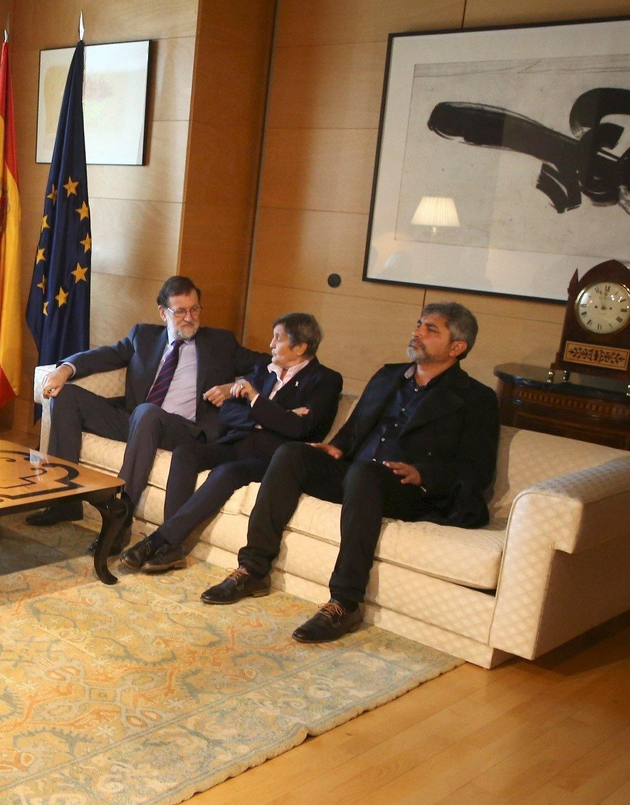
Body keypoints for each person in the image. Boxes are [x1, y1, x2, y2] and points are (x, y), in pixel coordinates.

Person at [205, 302, 500, 645]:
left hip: (407, 489)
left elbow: (477, 470)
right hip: (356, 473)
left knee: (365, 474)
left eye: (431, 329)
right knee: (291, 455)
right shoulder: (390, 374)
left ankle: (344, 602)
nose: (417, 332)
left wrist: (423, 474)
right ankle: (253, 569)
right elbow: (356, 425)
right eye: (419, 324)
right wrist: (337, 447)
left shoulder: (476, 398)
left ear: (457, 347)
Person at [25, 275, 259, 552]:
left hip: (182, 431)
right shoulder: (143, 336)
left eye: (195, 309)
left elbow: (268, 365)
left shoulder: (220, 343)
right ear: (163, 312)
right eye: (180, 311)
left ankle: (121, 514)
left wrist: (237, 385)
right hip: (137, 422)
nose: (189, 317)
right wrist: (64, 369)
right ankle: (64, 501)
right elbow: (104, 355)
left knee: (147, 412)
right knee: (67, 397)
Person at [121, 312, 342, 574]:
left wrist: (257, 400)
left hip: (271, 458)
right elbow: (228, 411)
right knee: (185, 453)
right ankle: (173, 548)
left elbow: (298, 428)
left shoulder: (326, 380)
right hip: (237, 441)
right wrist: (269, 418)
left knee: (226, 473)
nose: (271, 345)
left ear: (300, 347)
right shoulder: (265, 369)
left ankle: (160, 540)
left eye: (278, 339)